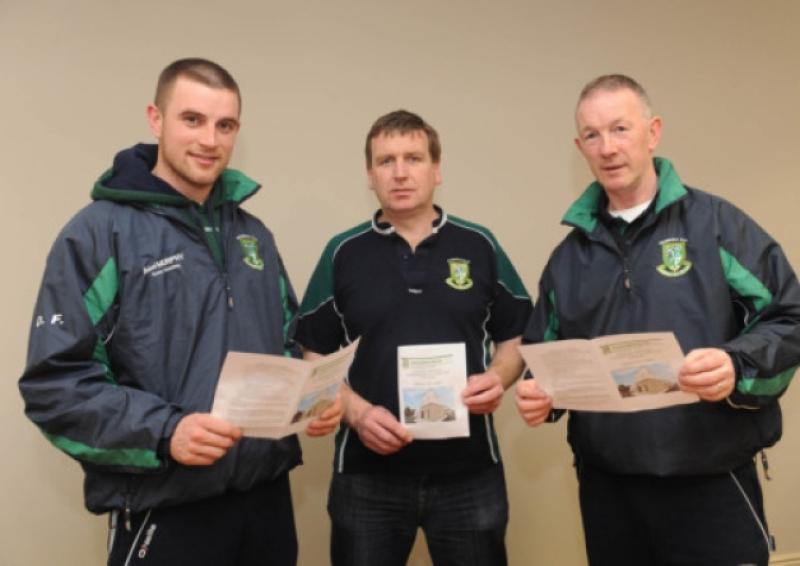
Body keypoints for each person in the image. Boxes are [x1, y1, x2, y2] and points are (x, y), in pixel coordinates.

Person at [18, 58, 341, 566]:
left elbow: (285, 346)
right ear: (156, 118)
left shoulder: (254, 234)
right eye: (192, 119)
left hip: (266, 506)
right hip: (166, 509)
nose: (209, 140)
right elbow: (54, 389)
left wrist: (312, 401)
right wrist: (167, 432)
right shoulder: (99, 233)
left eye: (225, 125)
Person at [515, 74, 800, 565]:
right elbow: (545, 354)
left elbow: (791, 316)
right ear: (579, 146)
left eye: (620, 129)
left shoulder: (716, 225)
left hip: (710, 480)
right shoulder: (568, 259)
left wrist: (736, 364)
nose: (607, 147)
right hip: (608, 490)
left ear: (654, 132)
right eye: (592, 135)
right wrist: (538, 392)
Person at [295, 110, 532, 566]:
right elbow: (311, 352)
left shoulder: (479, 244)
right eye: (386, 161)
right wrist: (358, 414)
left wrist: (499, 378)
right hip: (366, 477)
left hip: (470, 474)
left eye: (413, 158)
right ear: (369, 175)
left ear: (437, 170)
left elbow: (517, 333)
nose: (400, 172)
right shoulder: (342, 252)